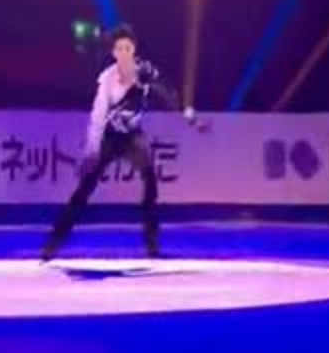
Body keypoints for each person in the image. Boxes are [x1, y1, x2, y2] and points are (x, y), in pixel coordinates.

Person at [41, 23, 207, 261]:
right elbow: (98, 116)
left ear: (134, 50)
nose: (124, 53)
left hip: (132, 137)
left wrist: (188, 116)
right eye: (119, 49)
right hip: (109, 137)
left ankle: (152, 246)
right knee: (84, 189)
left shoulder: (145, 72)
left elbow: (166, 94)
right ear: (114, 53)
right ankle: (53, 245)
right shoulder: (107, 80)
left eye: (127, 48)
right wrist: (92, 149)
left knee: (151, 184)